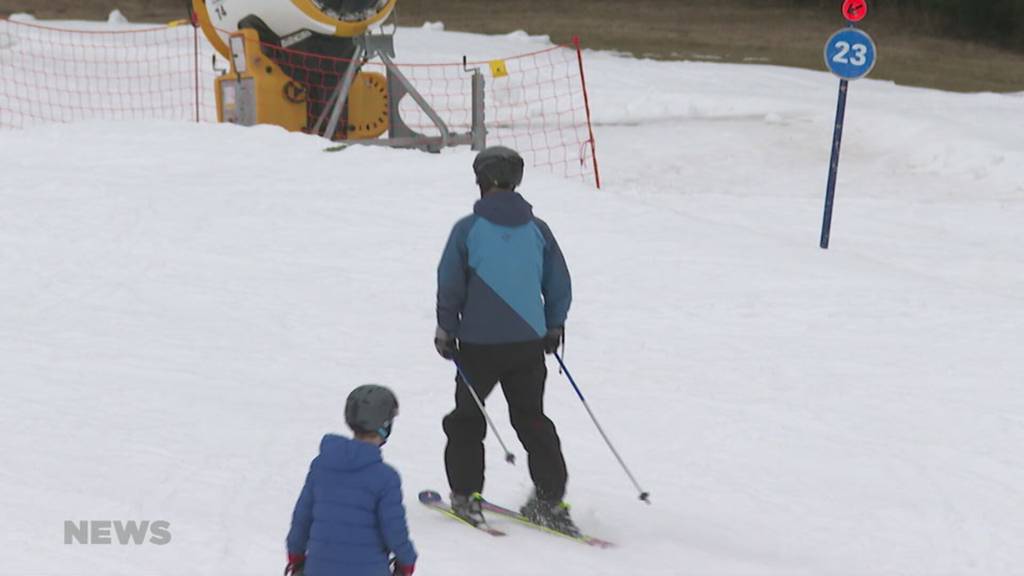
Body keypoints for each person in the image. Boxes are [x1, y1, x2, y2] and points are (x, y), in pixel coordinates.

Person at [434, 146, 578, 535]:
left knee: (467, 419)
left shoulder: (467, 229)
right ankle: (550, 501)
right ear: (517, 182)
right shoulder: (538, 230)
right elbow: (559, 283)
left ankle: (466, 495)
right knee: (532, 419)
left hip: (478, 345)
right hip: (528, 344)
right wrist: (553, 326)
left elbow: (451, 284)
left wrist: (446, 330)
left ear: (481, 181)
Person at [285, 385, 417, 576]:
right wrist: (407, 562)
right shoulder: (385, 477)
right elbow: (395, 530)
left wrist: (296, 556)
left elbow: (302, 518)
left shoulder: (321, 466)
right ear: (386, 425)